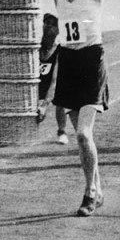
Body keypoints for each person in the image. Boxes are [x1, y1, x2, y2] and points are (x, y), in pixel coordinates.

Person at [20, 0, 120, 218]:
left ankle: (90, 192)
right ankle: (98, 188)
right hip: (70, 63)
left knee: (82, 133)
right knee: (83, 138)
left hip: (92, 60)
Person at [35, 12, 70, 145]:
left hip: (51, 87)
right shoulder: (35, 47)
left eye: (53, 25)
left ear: (59, 29)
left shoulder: (59, 51)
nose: (48, 26)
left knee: (61, 95)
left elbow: (55, 81)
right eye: (47, 23)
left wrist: (44, 106)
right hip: (35, 86)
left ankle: (62, 131)